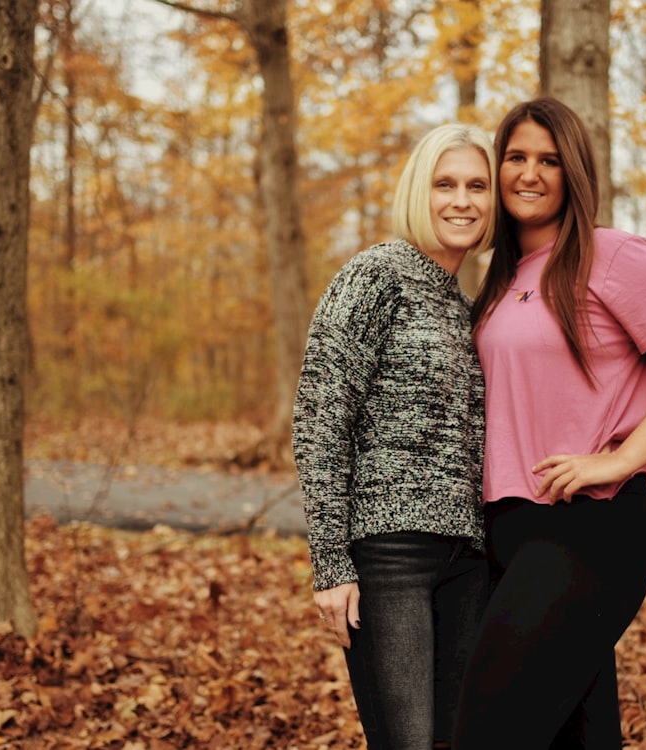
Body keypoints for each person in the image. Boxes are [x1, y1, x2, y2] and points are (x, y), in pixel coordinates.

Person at [452, 97, 646, 749]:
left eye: (548, 160)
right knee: (575, 736)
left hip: (587, 527)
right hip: (509, 530)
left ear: (573, 172)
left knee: (486, 732)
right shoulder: (498, 282)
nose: (529, 172)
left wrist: (619, 458)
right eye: (515, 156)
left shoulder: (613, 256)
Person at [291, 123, 496, 750]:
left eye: (477, 186)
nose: (462, 200)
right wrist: (330, 564)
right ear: (419, 191)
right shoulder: (374, 276)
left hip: (469, 559)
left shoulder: (469, 305)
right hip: (390, 560)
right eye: (445, 184)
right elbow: (320, 420)